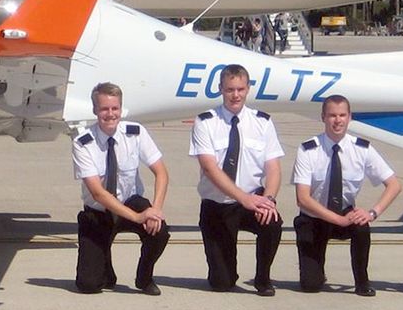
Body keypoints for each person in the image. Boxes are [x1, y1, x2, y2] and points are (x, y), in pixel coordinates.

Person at [291, 94, 403, 296]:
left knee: (361, 227)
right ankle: (317, 271)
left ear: (350, 117)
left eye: (342, 115)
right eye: (332, 115)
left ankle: (362, 281)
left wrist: (372, 213)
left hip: (345, 213)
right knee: (311, 285)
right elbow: (303, 198)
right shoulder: (308, 149)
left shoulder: (362, 149)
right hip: (313, 218)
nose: (337, 120)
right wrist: (337, 220)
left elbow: (394, 185)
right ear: (323, 117)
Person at [192, 64, 284, 294]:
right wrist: (244, 198)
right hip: (217, 205)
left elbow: (273, 168)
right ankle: (225, 271)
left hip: (252, 199)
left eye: (240, 89)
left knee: (272, 221)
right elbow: (210, 169)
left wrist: (269, 200)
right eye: (230, 89)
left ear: (248, 89)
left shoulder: (262, 122)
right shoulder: (205, 122)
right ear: (220, 89)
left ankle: (263, 278)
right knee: (222, 283)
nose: (235, 95)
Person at [71, 82, 169, 295]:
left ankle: (144, 278)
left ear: (121, 109)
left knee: (160, 231)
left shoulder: (136, 133)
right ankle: (105, 267)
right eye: (104, 109)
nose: (110, 114)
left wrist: (155, 211)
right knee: (89, 285)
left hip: (130, 200)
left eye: (114, 108)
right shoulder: (83, 142)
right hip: (99, 210)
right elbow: (98, 192)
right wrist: (138, 217)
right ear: (95, 110)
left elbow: (161, 172)